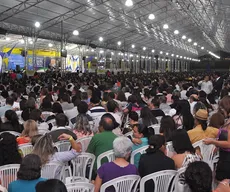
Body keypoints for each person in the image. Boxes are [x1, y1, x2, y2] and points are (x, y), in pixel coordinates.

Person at [203, 96, 230, 181]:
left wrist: (213, 142)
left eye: (222, 107)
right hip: (223, 157)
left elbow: (229, 144)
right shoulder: (227, 120)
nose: (221, 110)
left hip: (227, 160)